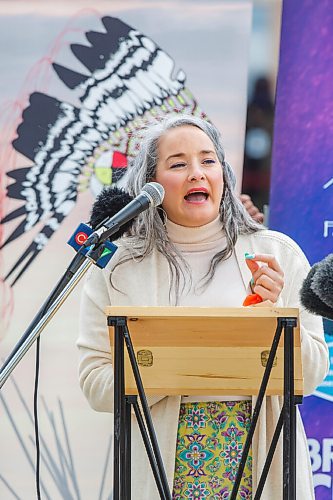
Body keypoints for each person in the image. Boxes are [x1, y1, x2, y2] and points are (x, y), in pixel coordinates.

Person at [77, 114, 328, 499]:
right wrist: (176, 368)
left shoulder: (277, 253)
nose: (197, 173)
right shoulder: (117, 268)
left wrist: (273, 313)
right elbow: (95, 383)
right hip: (159, 467)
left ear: (223, 174)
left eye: (208, 161)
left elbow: (311, 375)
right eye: (178, 164)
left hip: (261, 466)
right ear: (152, 183)